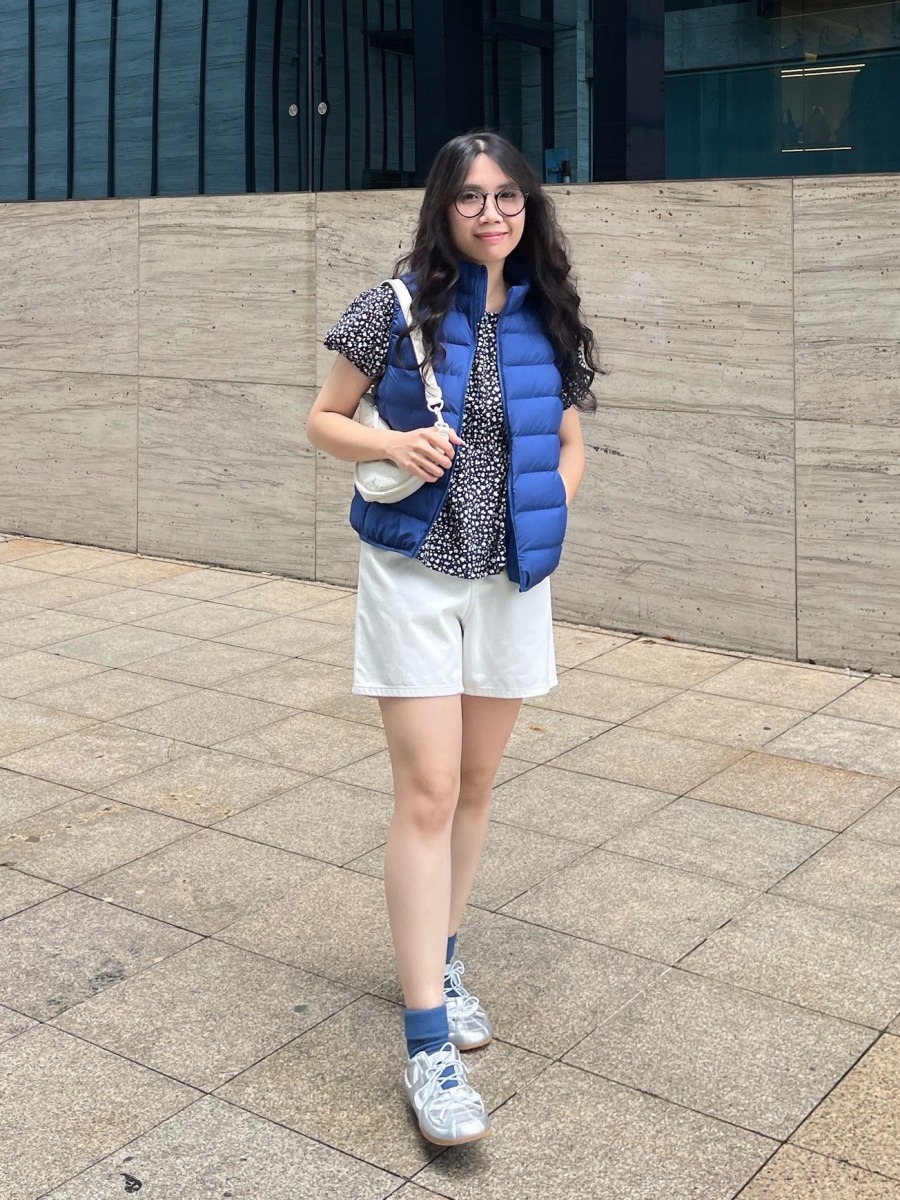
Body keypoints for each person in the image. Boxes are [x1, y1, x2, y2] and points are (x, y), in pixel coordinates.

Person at [306, 130, 600, 1147]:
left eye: (507, 196)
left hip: (511, 580)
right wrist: (392, 439)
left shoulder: (548, 311)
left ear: (529, 208)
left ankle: (444, 953)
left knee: (475, 786)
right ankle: (427, 1041)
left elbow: (568, 439)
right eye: (471, 198)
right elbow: (323, 419)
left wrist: (549, 509)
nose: (491, 214)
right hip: (414, 575)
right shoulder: (389, 308)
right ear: (442, 208)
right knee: (428, 791)